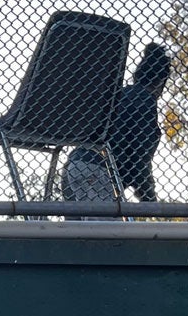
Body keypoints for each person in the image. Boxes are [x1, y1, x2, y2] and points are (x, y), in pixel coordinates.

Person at [61, 43, 173, 215]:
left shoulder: (118, 94)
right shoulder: (145, 101)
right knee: (105, 235)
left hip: (74, 164)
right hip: (98, 170)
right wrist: (149, 199)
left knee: (81, 235)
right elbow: (139, 157)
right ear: (162, 82)